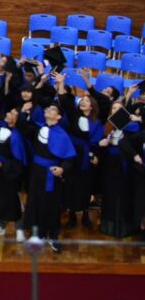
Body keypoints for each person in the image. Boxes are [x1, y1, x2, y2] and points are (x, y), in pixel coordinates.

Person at [22, 102, 76, 253]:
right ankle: (38, 235)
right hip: (36, 172)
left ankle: (53, 235)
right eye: (48, 108)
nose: (48, 109)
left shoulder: (62, 134)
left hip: (50, 174)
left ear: (58, 117)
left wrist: (62, 169)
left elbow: (69, 158)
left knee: (50, 205)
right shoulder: (39, 127)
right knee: (34, 202)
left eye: (52, 109)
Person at [57, 75, 104, 230]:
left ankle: (84, 214)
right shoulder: (73, 116)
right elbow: (64, 101)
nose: (83, 101)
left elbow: (96, 144)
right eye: (82, 100)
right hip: (72, 155)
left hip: (86, 158)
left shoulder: (97, 123)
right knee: (70, 185)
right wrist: (61, 83)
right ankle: (71, 215)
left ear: (92, 106)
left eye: (87, 101)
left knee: (85, 187)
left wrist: (94, 156)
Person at [0, 108, 28, 241]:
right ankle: (0, 227)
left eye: (11, 113)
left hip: (11, 174)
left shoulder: (16, 137)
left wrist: (2, 165)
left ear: (16, 120)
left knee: (13, 201)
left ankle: (19, 228)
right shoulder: (2, 129)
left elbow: (18, 163)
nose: (7, 113)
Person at [97, 101, 140, 237]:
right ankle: (108, 226)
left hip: (125, 165)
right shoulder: (108, 126)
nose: (115, 110)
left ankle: (124, 227)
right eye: (113, 108)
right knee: (110, 193)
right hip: (110, 164)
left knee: (124, 194)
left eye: (119, 108)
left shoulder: (132, 126)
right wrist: (103, 143)